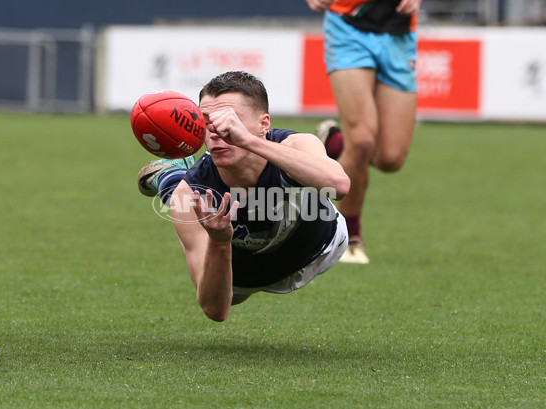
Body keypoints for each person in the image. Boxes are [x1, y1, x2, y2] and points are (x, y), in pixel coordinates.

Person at [137, 71, 351, 322]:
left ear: (264, 125)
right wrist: (218, 242)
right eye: (206, 122)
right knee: (183, 197)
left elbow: (339, 186)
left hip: (322, 249)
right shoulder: (191, 191)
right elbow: (215, 309)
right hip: (248, 274)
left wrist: (248, 141)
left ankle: (323, 154)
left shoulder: (295, 143)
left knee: (313, 166)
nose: (217, 130)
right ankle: (168, 177)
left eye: (230, 120)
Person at [305, 0, 423, 264]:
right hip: (347, 25)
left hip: (399, 33)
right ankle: (349, 237)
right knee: (362, 140)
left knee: (390, 159)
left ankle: (333, 142)